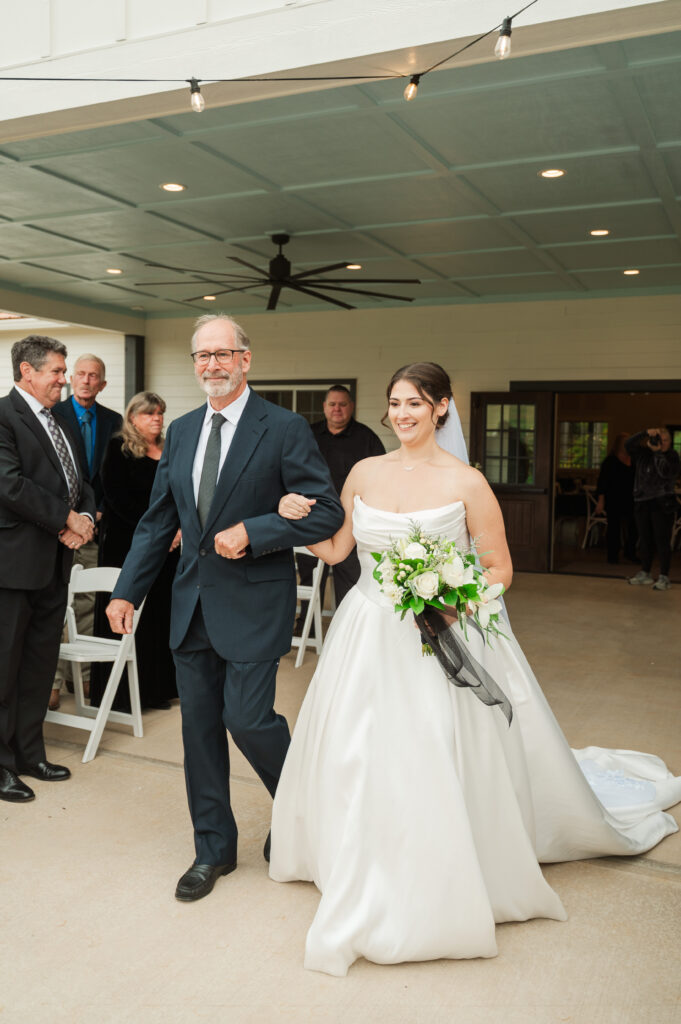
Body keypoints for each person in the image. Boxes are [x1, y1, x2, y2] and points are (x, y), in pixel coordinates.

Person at [269, 361, 681, 977]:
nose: (403, 414)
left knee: (436, 743)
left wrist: (450, 598)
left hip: (443, 629)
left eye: (415, 403)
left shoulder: (466, 481)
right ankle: (360, 853)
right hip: (367, 629)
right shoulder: (363, 472)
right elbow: (337, 550)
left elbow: (498, 568)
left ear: (440, 407)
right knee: (358, 744)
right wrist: (294, 516)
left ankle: (443, 862)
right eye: (395, 404)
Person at [105, 314, 344, 902]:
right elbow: (159, 518)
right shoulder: (182, 431)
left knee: (249, 720)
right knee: (199, 732)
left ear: (245, 359)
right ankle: (213, 848)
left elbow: (327, 512)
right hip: (191, 605)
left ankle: (301, 811)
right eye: (201, 355)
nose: (211, 364)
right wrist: (126, 590)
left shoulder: (283, 428)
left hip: (255, 604)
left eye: (222, 353)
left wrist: (256, 530)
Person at [0, 335, 95, 804]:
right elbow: (10, 485)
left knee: (39, 666)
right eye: (57, 371)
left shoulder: (62, 420)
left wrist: (87, 520)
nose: (64, 379)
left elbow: (83, 481)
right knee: (4, 668)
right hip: (12, 566)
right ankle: (0, 765)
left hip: (57, 563)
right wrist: (66, 518)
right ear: (27, 372)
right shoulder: (1, 416)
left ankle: (30, 754)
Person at [89, 392, 180, 712]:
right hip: (128, 544)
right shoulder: (119, 447)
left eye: (160, 413)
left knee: (161, 615)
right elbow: (116, 497)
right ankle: (125, 696)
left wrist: (175, 530)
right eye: (149, 414)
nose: (157, 418)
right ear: (132, 417)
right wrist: (158, 532)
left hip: (170, 549)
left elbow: (180, 495)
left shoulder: (171, 449)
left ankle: (159, 689)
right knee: (131, 615)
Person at [51, 355, 122, 710]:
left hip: (94, 527)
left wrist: (96, 512)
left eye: (94, 376)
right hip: (55, 527)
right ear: (70, 379)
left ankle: (81, 677)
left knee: (85, 602)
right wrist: (68, 518)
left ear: (102, 384)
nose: (86, 380)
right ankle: (52, 680)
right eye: (80, 373)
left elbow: (113, 476)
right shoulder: (53, 416)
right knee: (52, 601)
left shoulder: (114, 421)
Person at [297, 385, 385, 626]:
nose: (337, 409)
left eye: (343, 404)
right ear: (324, 407)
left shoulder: (367, 438)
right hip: (313, 518)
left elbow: (379, 481)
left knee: (351, 579)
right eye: (332, 404)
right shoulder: (308, 435)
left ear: (351, 407)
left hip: (351, 523)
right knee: (308, 576)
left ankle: (348, 627)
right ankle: (307, 625)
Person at [626, 427, 680, 590]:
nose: (661, 443)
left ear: (670, 442)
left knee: (662, 540)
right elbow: (628, 445)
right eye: (658, 438)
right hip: (642, 501)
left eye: (665, 440)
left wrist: (658, 453)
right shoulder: (643, 453)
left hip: (662, 503)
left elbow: (665, 472)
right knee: (644, 539)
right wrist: (644, 433)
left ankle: (664, 576)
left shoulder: (672, 456)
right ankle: (645, 572)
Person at [595, 433, 637, 565]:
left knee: (634, 526)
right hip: (614, 498)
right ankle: (612, 554)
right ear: (618, 444)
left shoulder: (634, 460)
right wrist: (601, 501)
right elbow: (602, 482)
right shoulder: (610, 461)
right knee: (614, 527)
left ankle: (630, 552)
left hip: (631, 499)